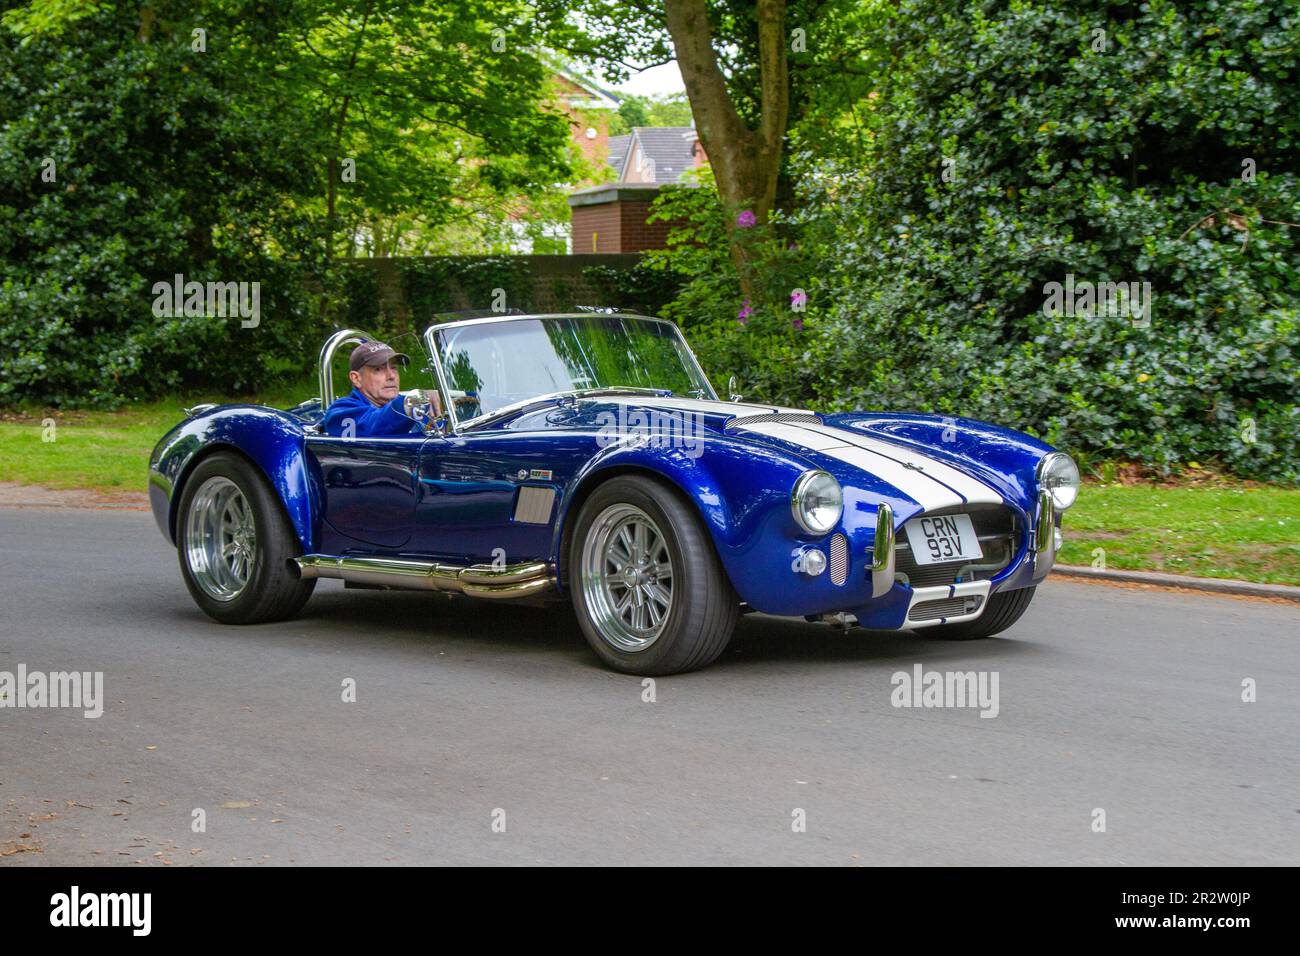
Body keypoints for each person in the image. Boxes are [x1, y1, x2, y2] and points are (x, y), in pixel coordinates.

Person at [320, 340, 443, 437]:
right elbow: (371, 426)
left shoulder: (411, 407)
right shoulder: (340, 412)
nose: (391, 376)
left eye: (394, 368)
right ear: (356, 378)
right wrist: (411, 402)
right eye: (378, 369)